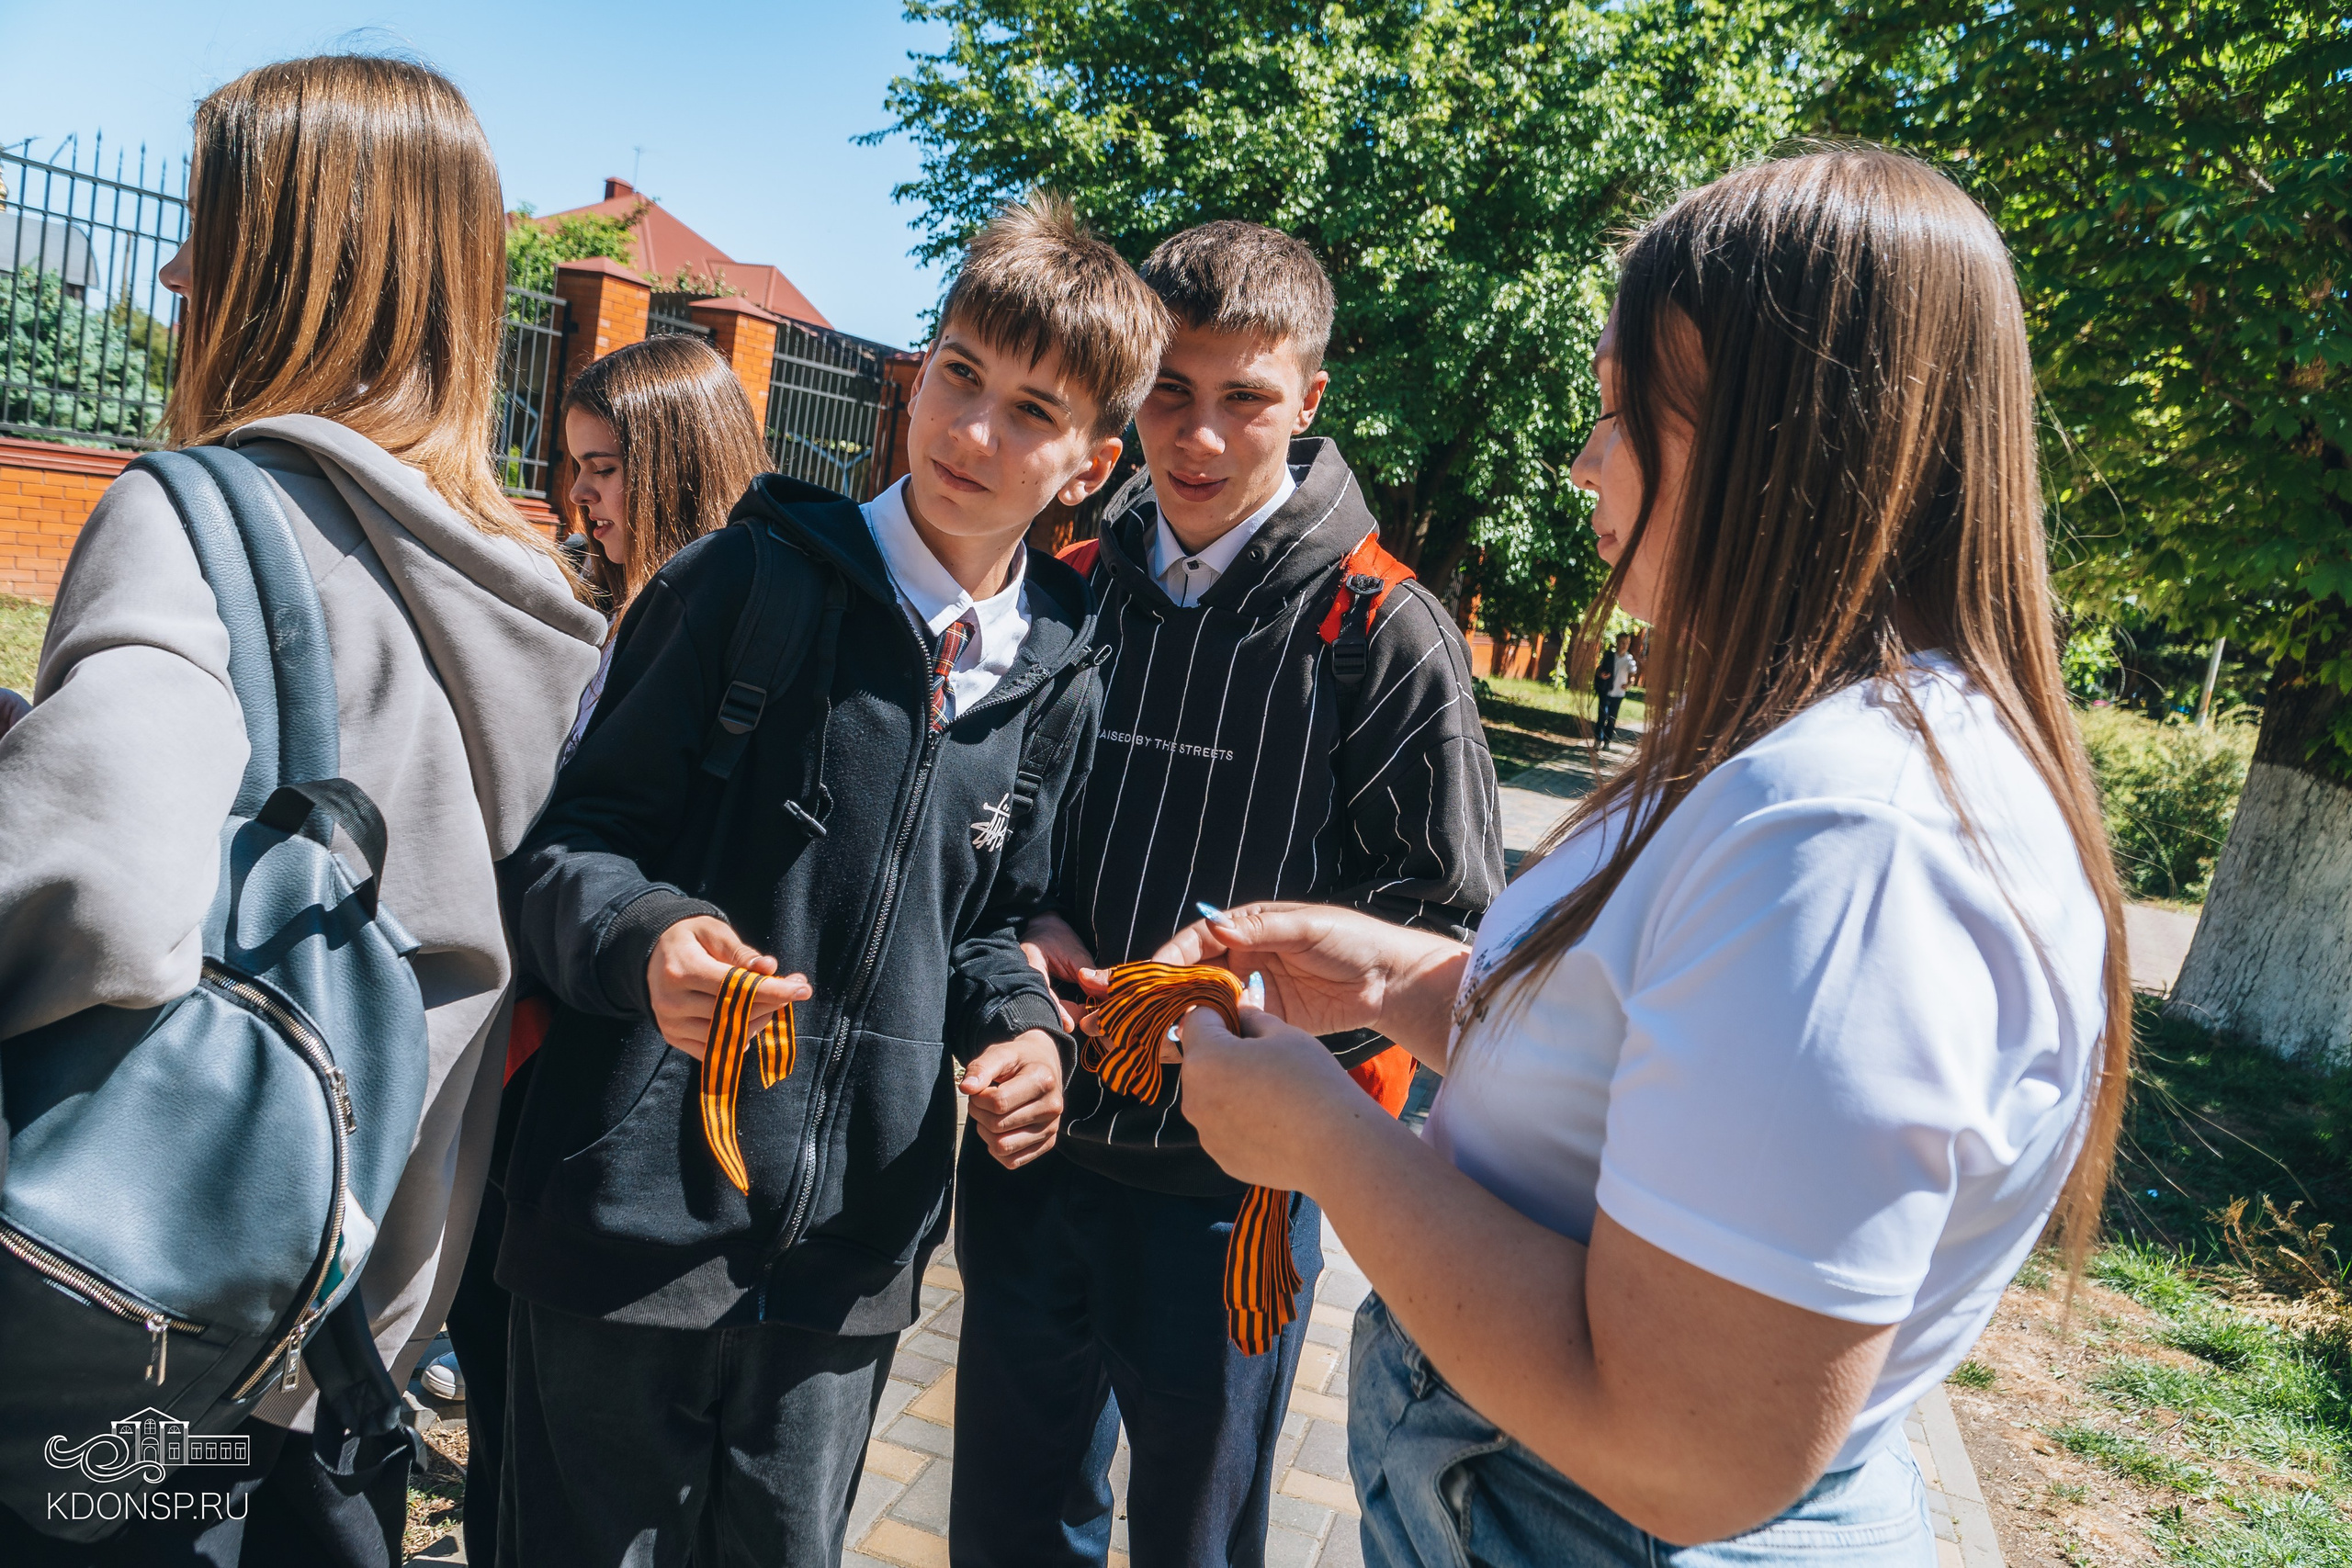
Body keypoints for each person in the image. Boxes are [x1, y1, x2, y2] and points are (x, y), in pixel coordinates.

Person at [1158, 148, 2130, 1565]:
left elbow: (1684, 1446)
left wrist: (1324, 1136)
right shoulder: (1810, 755)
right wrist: (1402, 982)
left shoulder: (1851, 838)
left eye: (1621, 411)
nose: (1583, 462)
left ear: (1778, 437)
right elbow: (1647, 1070)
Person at [494, 194, 1170, 1565]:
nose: (974, 432)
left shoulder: (1060, 676)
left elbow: (991, 926)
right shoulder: (744, 580)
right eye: (962, 377)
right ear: (918, 375)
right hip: (625, 1232)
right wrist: (653, 935)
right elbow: (562, 857)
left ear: (1089, 468)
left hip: (846, 1268)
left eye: (1033, 412)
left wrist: (1029, 1030)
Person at [0, 54, 605, 1564]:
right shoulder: (535, 595)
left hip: (140, 1352)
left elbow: (115, 883)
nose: (171, 268)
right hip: (350, 1370)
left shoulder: (196, 515)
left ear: (287, 268)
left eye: (210, 229)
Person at [968, 221, 1503, 1567]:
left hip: (1234, 1199)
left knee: (1197, 1544)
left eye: (1243, 398)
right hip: (1036, 1155)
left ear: (1309, 399)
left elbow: (1448, 932)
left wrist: (1247, 1007)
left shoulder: (1383, 632)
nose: (1198, 437)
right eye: (1169, 392)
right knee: (1008, 1530)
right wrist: (1030, 931)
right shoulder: (1072, 588)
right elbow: (996, 839)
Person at [431, 332, 771, 1568]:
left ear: (684, 460)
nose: (585, 497)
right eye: (575, 465)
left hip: (643, 1103)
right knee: (512, 1440)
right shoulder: (568, 604)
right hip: (514, 1063)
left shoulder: (745, 634)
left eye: (611, 466)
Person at [1594, 630, 1638, 748]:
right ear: (1617, 642)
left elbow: (1632, 677)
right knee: (1602, 717)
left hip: (1618, 693)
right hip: (1606, 691)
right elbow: (1599, 670)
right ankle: (1597, 740)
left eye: (1627, 643)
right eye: (1622, 642)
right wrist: (1601, 675)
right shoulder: (1609, 656)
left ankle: (1607, 742)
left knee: (1612, 718)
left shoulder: (1629, 660)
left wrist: (1629, 684)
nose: (1624, 645)